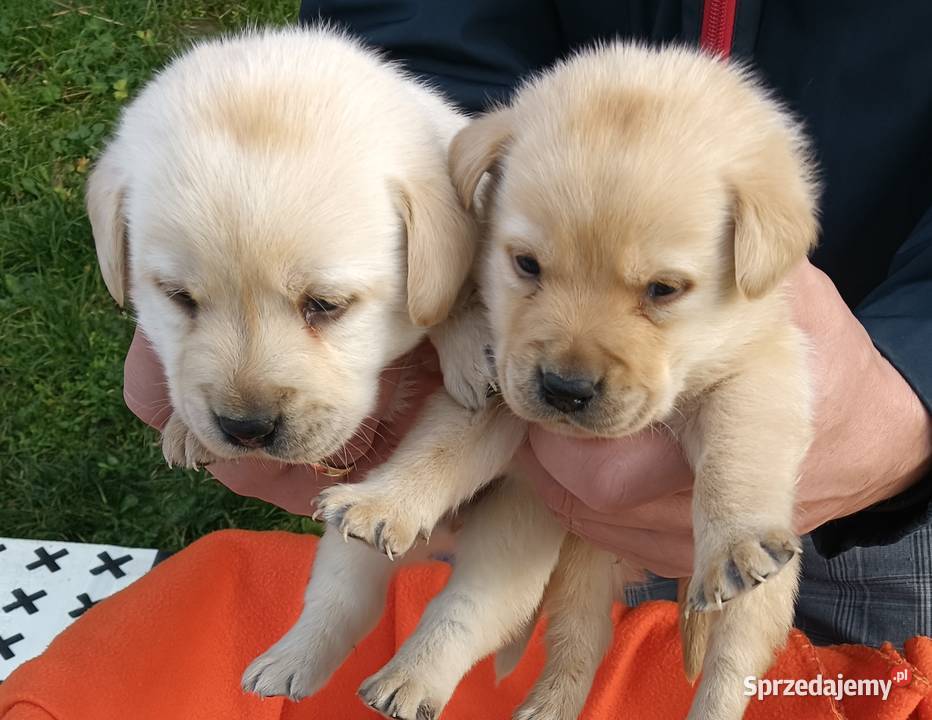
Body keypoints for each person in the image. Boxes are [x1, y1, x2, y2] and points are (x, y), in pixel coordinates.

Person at [124, 0, 932, 647]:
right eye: (183, 300)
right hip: (492, 442)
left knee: (844, 683)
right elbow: (416, 27)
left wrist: (912, 377)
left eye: (659, 289)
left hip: (869, 480)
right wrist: (345, 193)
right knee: (491, 651)